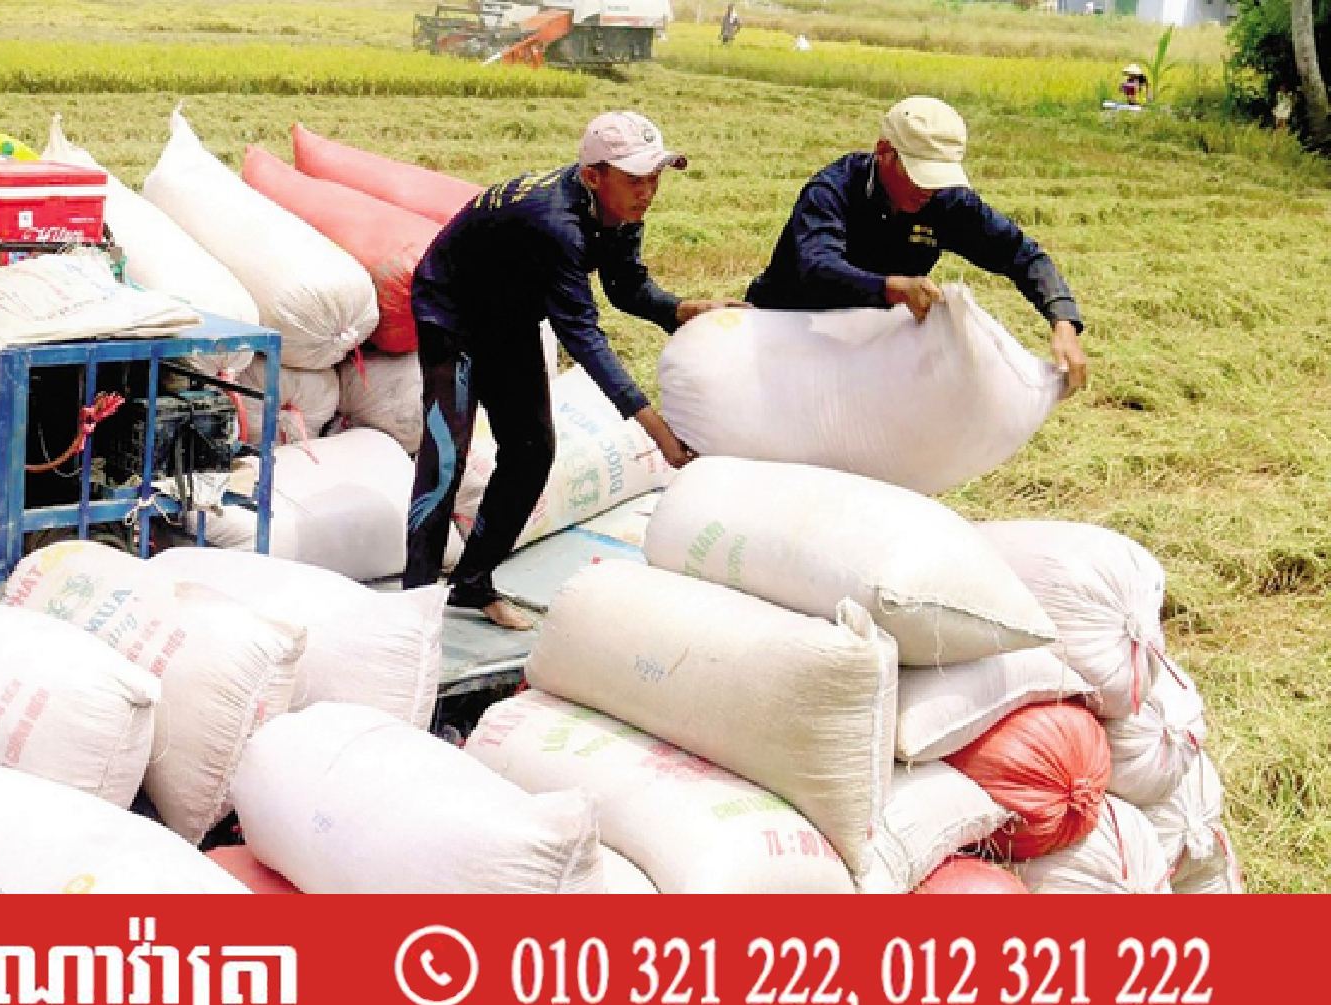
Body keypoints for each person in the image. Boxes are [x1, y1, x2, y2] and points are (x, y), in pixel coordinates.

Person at [405, 111, 738, 630]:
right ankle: (415, 603)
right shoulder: (555, 224)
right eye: (636, 179)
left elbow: (626, 287)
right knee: (448, 453)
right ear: (593, 176)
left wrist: (679, 310)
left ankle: (472, 581)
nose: (648, 191)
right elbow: (582, 336)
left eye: (654, 177)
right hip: (453, 310)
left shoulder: (620, 210)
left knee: (533, 450)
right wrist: (658, 433)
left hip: (511, 314)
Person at [744, 96, 1089, 396]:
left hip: (867, 347)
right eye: (918, 174)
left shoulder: (946, 202)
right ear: (884, 152)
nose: (928, 190)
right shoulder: (832, 191)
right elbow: (818, 266)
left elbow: (1021, 254)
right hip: (792, 329)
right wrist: (892, 288)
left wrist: (1063, 322)